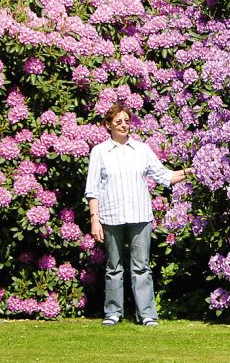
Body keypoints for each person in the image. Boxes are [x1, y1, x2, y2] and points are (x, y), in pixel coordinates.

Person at [84, 103, 192, 326]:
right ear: (108, 125)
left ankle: (147, 315)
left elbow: (164, 176)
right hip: (110, 216)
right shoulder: (99, 152)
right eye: (118, 122)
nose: (123, 125)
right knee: (114, 267)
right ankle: (113, 313)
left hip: (140, 216)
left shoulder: (142, 150)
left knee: (141, 266)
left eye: (126, 121)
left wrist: (189, 172)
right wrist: (94, 219)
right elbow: (92, 189)